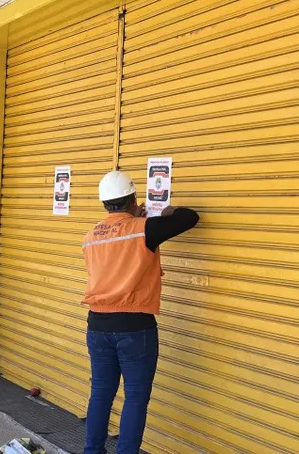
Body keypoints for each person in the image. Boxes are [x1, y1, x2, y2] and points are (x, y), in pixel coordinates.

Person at [81, 170, 199, 454]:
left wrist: (140, 218)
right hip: (134, 327)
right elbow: (189, 217)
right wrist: (163, 211)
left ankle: (92, 450)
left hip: (97, 326)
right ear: (133, 199)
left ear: (104, 204)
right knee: (134, 398)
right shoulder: (144, 229)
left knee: (100, 393)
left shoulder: (90, 237)